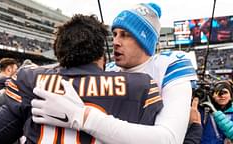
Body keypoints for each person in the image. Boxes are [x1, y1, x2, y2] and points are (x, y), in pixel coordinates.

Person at [0, 14, 163, 144]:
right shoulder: (140, 86)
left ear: (59, 52)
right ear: (101, 53)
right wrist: (194, 127)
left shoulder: (30, 80)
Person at [31, 3, 198, 144]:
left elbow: (169, 139)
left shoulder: (171, 66)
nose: (116, 42)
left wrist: (83, 117)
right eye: (115, 34)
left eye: (125, 35)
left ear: (144, 40)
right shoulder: (108, 68)